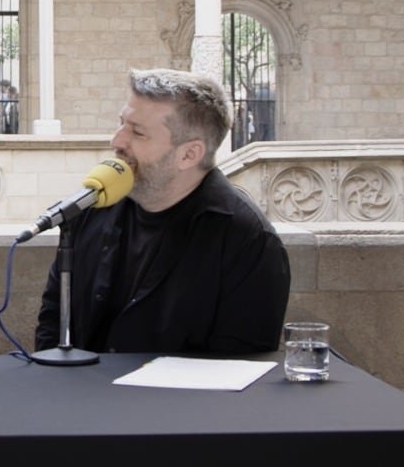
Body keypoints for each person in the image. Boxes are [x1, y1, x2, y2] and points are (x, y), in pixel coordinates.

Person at [35, 68, 291, 355]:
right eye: (121, 123)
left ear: (189, 154)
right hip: (81, 384)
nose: (117, 141)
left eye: (137, 132)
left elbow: (244, 363)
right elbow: (53, 320)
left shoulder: (249, 242)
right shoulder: (93, 207)